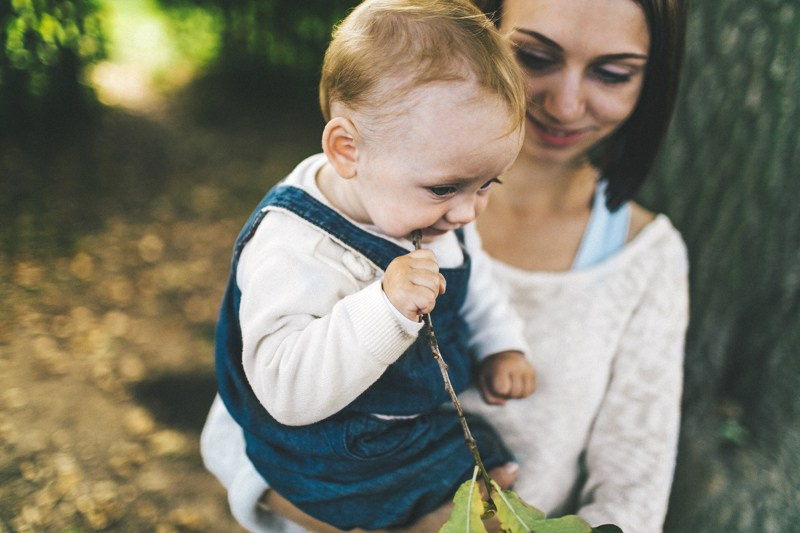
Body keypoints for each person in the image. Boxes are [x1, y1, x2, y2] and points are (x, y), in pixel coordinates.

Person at [202, 0, 691, 531]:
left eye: (613, 73)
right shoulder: (356, 196)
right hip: (341, 479)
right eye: (534, 57)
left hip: (442, 459)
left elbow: (633, 491)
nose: (567, 104)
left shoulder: (641, 256)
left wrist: (502, 344)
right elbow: (240, 425)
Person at [208, 0, 538, 530]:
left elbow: (476, 282)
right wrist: (384, 310)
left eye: (487, 185)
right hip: (329, 448)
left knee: (487, 476)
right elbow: (284, 385)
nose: (467, 212)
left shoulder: (438, 209)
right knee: (453, 505)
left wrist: (502, 343)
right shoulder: (294, 246)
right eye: (445, 188)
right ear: (347, 149)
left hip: (408, 423)